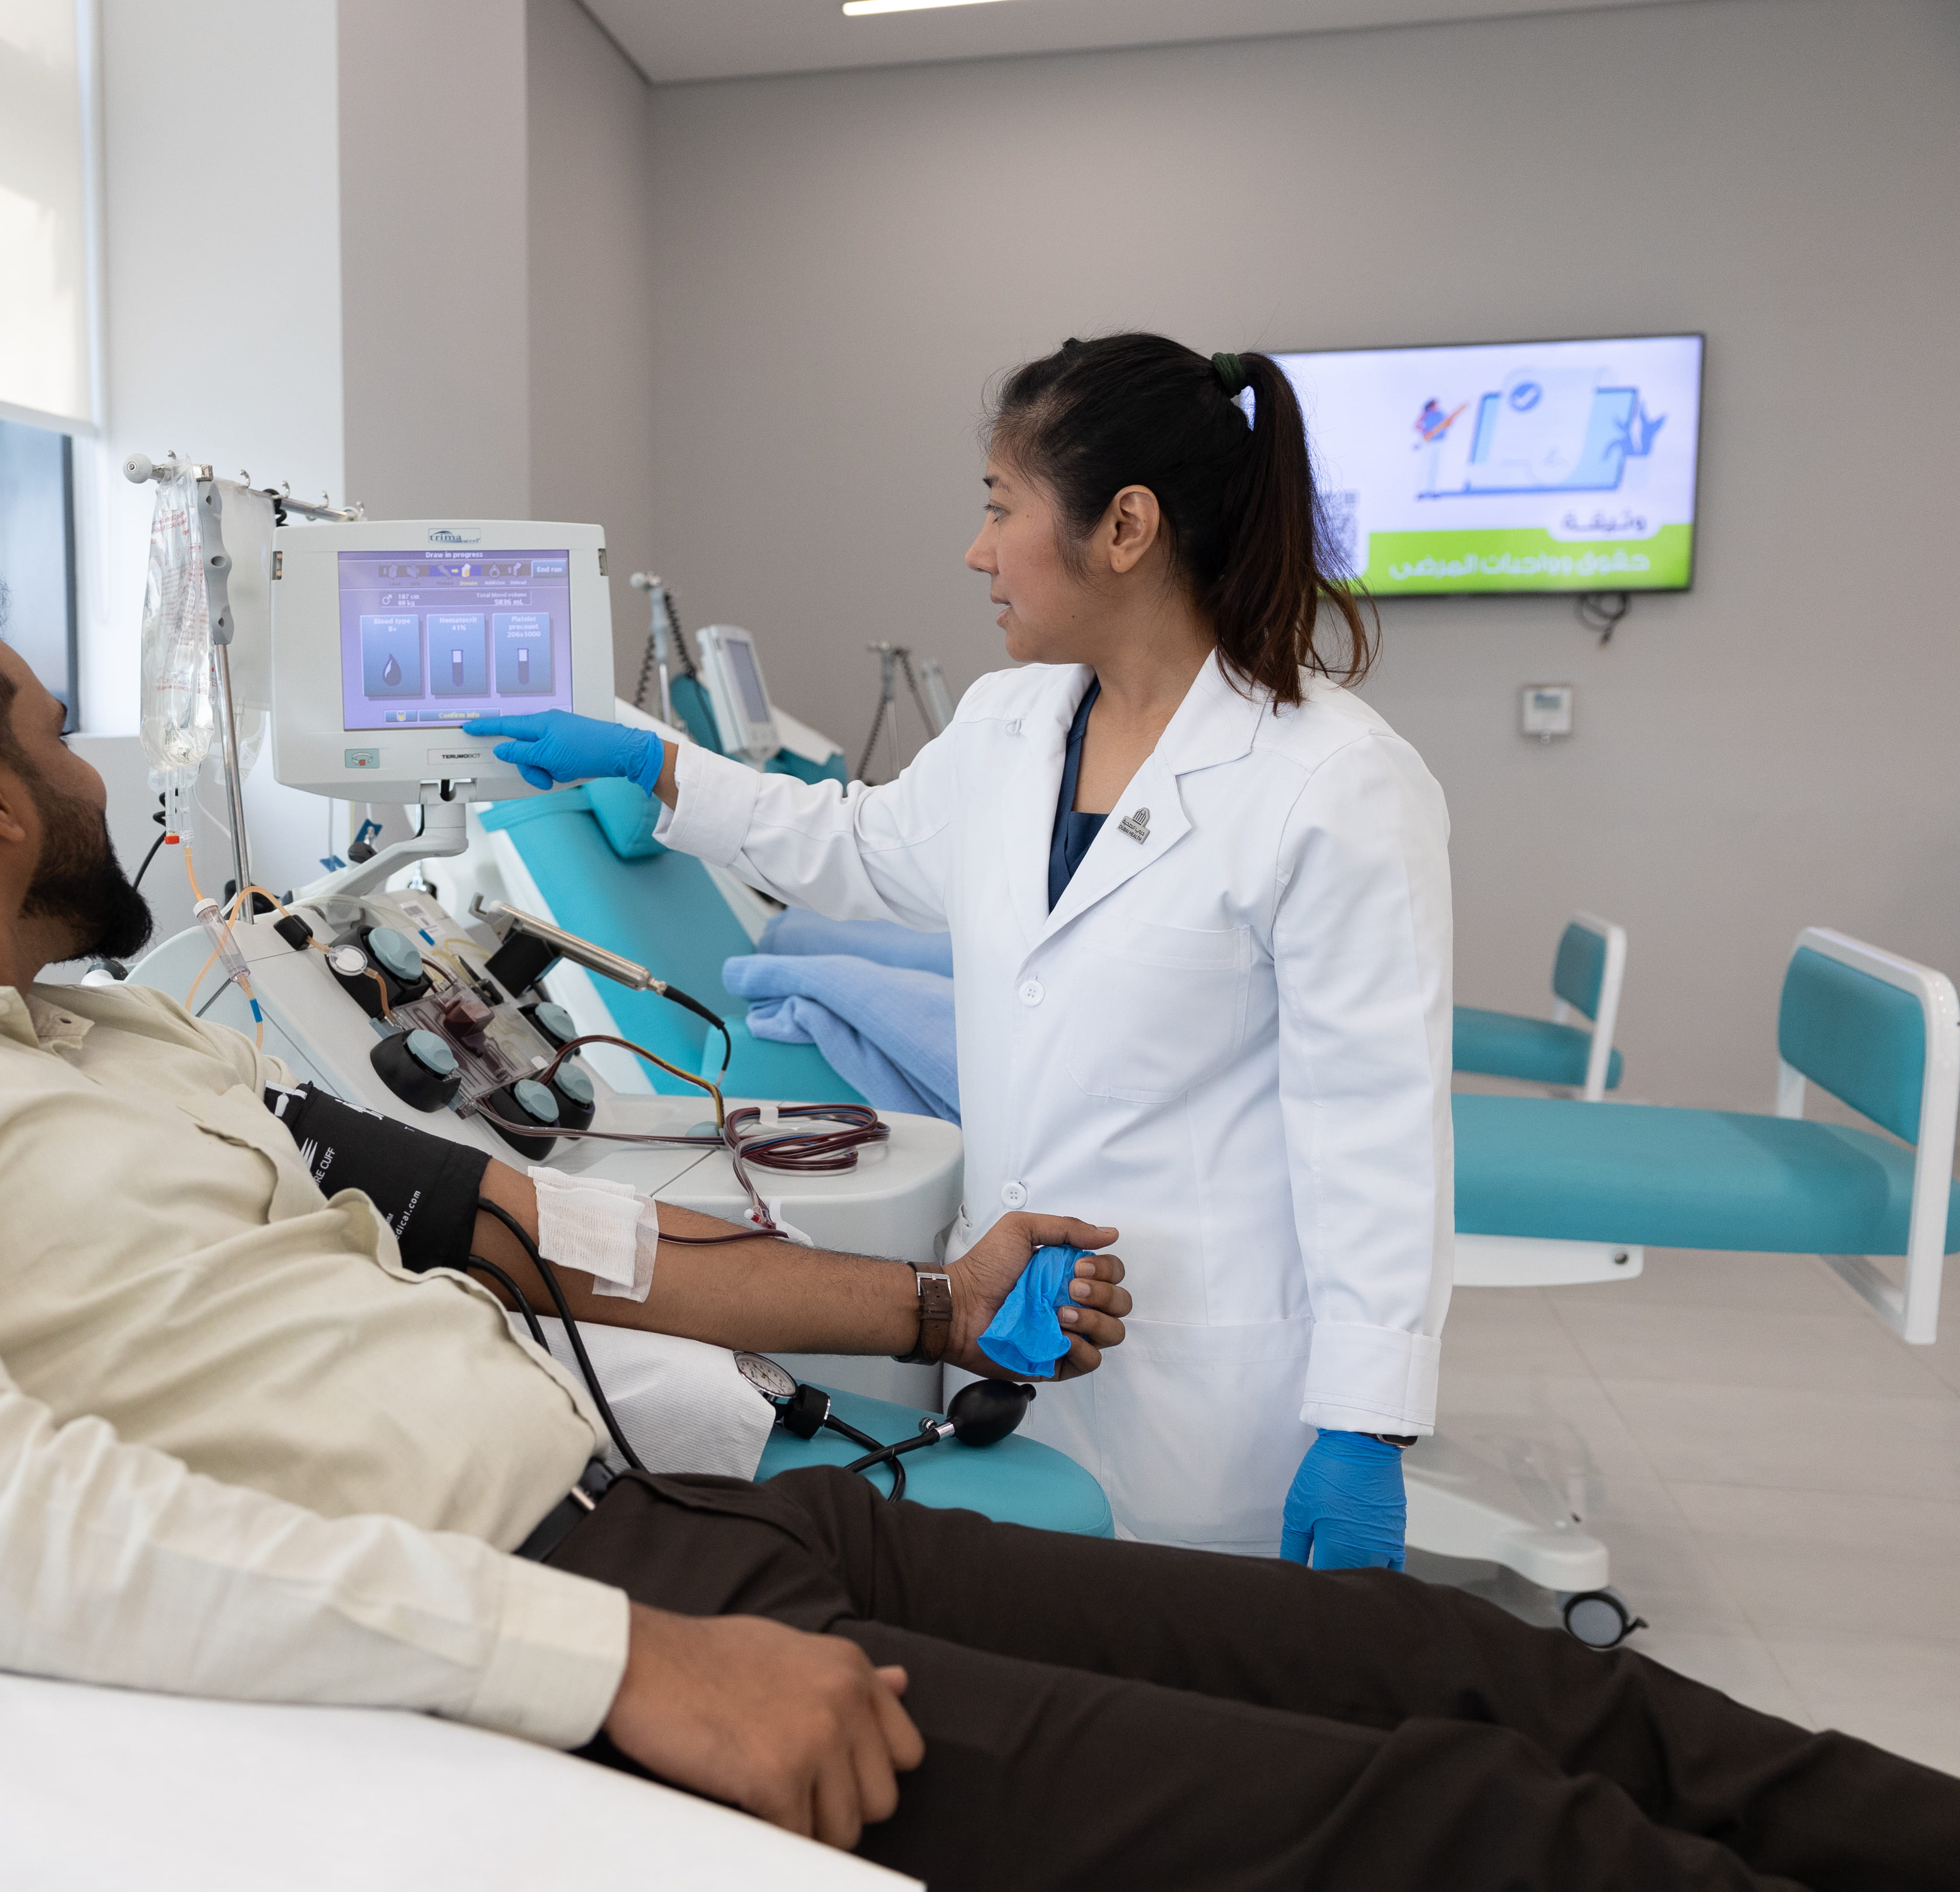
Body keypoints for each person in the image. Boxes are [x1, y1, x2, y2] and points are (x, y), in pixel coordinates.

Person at [0, 535, 1958, 1890]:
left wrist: (926, 1309)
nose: (93, 766)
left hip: (703, 1526)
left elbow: (533, 1224)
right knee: (1452, 1833)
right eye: (55, 730)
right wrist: (608, 1665)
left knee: (1471, 1672)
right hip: (565, 1630)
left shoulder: (122, 1042)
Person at [469, 334, 1448, 1568]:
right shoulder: (1010, 725)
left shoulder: (1336, 782)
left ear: (1126, 527)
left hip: (1217, 1385)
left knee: (1203, 1658)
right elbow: (857, 846)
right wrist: (656, 765)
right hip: (1018, 1332)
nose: (977, 552)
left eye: (1000, 508)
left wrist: (1366, 1423)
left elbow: (1376, 1128)